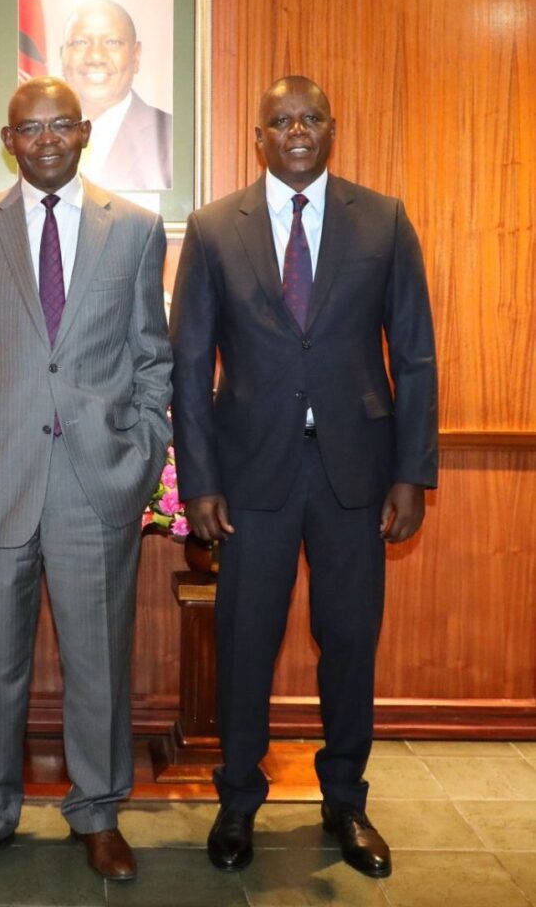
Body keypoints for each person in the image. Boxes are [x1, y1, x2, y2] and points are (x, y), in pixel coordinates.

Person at [170, 77, 438, 879]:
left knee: (350, 639)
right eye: (280, 121)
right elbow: (189, 364)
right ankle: (238, 800)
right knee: (246, 642)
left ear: (332, 129)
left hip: (356, 471)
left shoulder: (382, 219)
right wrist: (199, 481)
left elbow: (415, 354)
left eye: (310, 118)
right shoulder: (216, 226)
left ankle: (346, 801)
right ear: (259, 137)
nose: (296, 131)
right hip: (250, 474)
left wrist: (412, 472)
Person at [0, 76, 171, 882]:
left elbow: (152, 358)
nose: (47, 140)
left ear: (86, 131)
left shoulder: (133, 231)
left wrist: (143, 457)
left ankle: (98, 816)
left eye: (62, 124)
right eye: (30, 129)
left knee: (99, 661)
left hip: (97, 484)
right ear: (9, 138)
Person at [60, 0, 172, 191]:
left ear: (136, 56)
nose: (95, 57)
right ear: (62, 56)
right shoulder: (36, 138)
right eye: (80, 42)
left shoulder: (170, 136)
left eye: (112, 42)